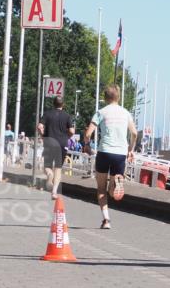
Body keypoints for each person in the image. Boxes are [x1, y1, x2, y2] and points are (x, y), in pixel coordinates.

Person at [84, 84, 137, 229]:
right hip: (120, 154)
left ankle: (106, 220)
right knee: (112, 191)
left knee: (101, 189)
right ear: (118, 96)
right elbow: (134, 133)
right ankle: (116, 183)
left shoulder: (101, 112)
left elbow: (88, 133)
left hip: (105, 151)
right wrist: (130, 150)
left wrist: (87, 145)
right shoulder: (126, 113)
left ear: (105, 97)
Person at [39, 95, 76, 197]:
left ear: (53, 104)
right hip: (62, 144)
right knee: (58, 168)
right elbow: (72, 131)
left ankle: (50, 175)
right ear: (63, 104)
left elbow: (40, 126)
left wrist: (43, 136)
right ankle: (54, 192)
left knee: (47, 166)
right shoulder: (67, 116)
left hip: (49, 142)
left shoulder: (47, 114)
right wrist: (67, 136)